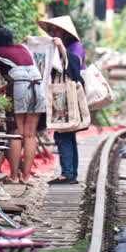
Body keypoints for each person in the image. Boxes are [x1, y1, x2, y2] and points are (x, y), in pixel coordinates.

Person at [0, 25, 46, 184]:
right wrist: (7, 86)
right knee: (30, 134)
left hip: (20, 90)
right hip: (39, 87)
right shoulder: (24, 48)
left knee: (16, 132)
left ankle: (13, 177)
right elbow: (25, 73)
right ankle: (26, 177)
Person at [39, 15, 87, 186]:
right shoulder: (57, 46)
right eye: (51, 30)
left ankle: (68, 173)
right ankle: (69, 172)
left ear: (65, 33)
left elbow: (74, 67)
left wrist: (61, 49)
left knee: (63, 132)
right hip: (59, 93)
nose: (52, 32)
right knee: (65, 133)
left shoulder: (75, 46)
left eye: (55, 29)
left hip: (67, 93)